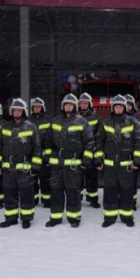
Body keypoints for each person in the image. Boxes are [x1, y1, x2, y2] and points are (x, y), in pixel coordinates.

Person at [44, 94, 95, 228]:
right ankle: (55, 217)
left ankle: (74, 218)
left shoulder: (82, 122)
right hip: (56, 164)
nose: (68, 107)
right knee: (56, 191)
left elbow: (89, 142)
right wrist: (48, 158)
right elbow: (47, 141)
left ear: (74, 106)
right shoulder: (55, 121)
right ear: (63, 106)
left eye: (71, 105)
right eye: (66, 104)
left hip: (73, 165)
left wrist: (85, 161)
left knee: (73, 191)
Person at [95, 95, 140, 227]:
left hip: (126, 164)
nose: (118, 108)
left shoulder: (133, 122)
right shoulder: (106, 123)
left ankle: (127, 217)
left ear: (124, 108)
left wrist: (137, 160)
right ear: (113, 108)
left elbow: (138, 141)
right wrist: (98, 160)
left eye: (120, 106)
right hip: (110, 164)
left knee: (126, 191)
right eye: (116, 106)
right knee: (110, 191)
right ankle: (109, 218)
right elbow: (99, 142)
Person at [0, 98, 41, 229]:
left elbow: (37, 148)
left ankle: (26, 218)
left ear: (24, 111)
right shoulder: (4, 127)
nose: (16, 112)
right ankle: (11, 218)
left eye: (19, 110)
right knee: (9, 194)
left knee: (26, 194)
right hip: (8, 168)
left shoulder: (31, 127)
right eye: (14, 110)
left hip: (25, 168)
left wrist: (35, 167)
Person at [78, 92, 103, 208]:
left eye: (85, 103)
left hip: (91, 152)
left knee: (92, 178)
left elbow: (100, 138)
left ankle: (93, 199)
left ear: (90, 104)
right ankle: (77, 198)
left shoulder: (96, 118)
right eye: (81, 103)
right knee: (76, 178)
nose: (83, 105)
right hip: (77, 153)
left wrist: (98, 158)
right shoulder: (74, 118)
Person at [28, 97, 51, 207]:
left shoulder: (47, 120)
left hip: (43, 155)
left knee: (45, 178)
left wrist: (48, 156)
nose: (36, 108)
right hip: (31, 154)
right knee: (32, 178)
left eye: (38, 107)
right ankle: (34, 199)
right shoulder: (27, 121)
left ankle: (47, 200)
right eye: (35, 107)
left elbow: (50, 139)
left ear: (42, 108)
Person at [125, 94, 140, 209]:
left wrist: (139, 158)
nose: (127, 107)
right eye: (126, 104)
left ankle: (132, 202)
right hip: (122, 153)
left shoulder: (139, 118)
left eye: (129, 104)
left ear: (133, 106)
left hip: (134, 152)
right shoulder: (117, 118)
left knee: (132, 180)